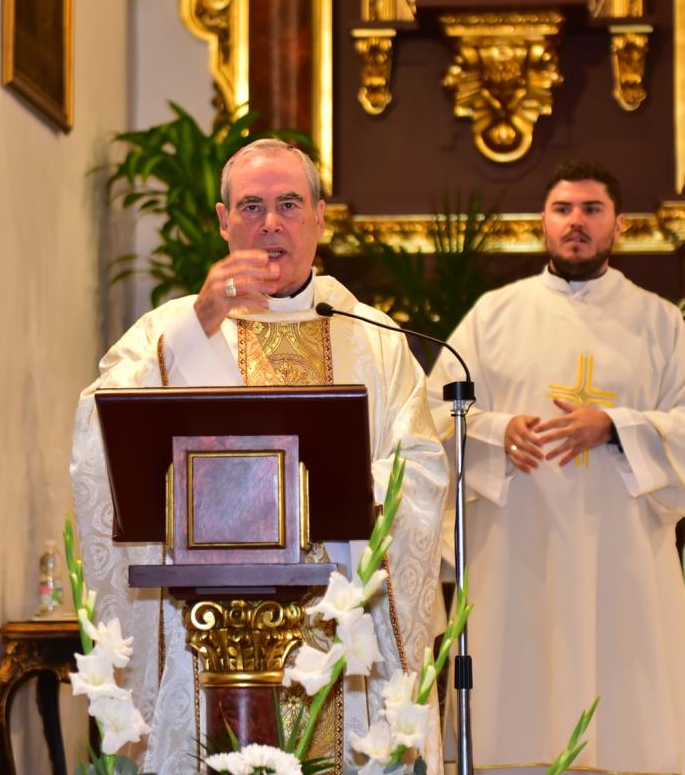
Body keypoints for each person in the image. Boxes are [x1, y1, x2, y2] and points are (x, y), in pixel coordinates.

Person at [69, 138, 447, 772]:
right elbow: (101, 438)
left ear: (321, 218)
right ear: (223, 222)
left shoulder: (372, 340)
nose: (271, 222)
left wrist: (363, 496)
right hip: (205, 624)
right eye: (251, 205)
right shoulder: (171, 330)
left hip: (335, 602)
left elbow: (423, 465)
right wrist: (203, 323)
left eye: (289, 203)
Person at [428, 160, 685, 773]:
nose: (576, 222)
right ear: (542, 222)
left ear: (618, 226)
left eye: (592, 210)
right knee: (519, 692)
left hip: (622, 554)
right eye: (563, 209)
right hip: (518, 552)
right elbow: (433, 417)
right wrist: (495, 430)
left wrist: (616, 428)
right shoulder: (493, 316)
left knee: (624, 693)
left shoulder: (657, 322)